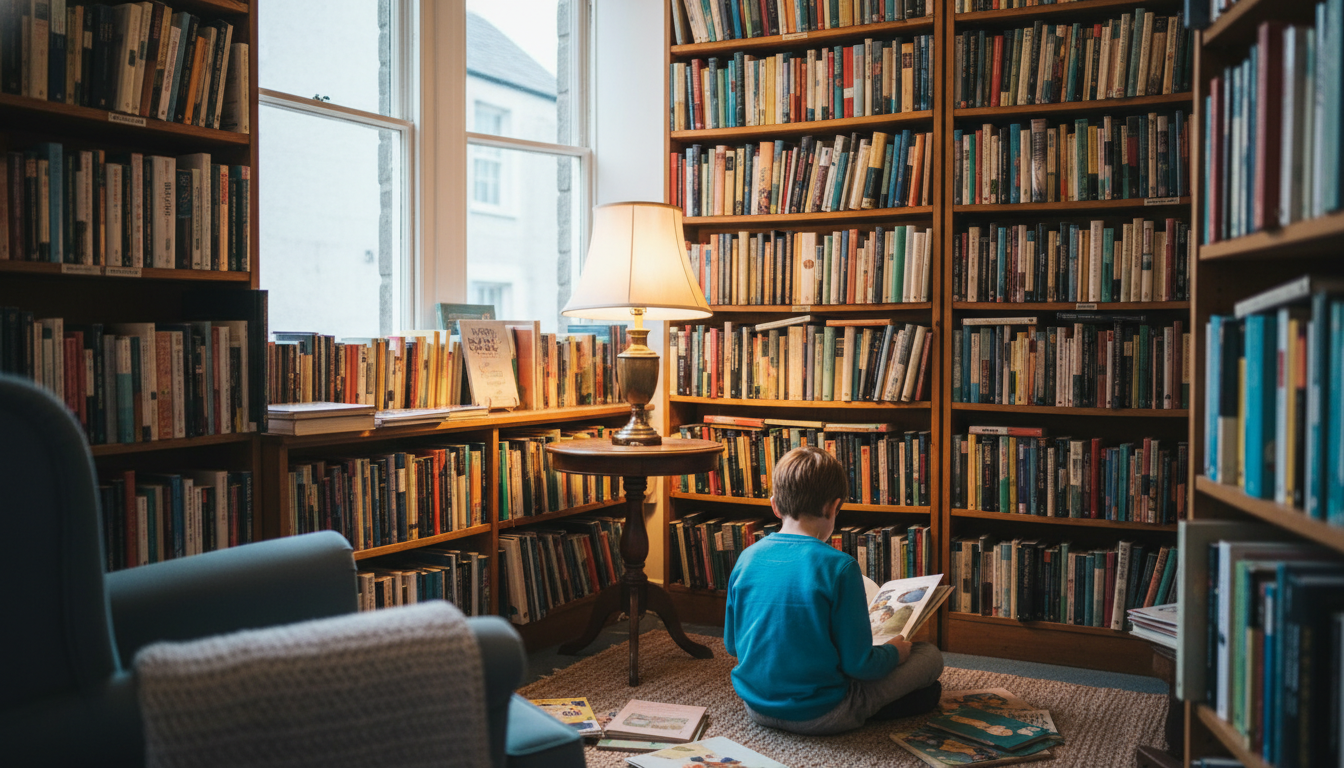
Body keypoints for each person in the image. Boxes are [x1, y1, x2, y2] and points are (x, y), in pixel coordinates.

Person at [723, 446, 944, 735]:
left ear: (775, 505)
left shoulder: (746, 558)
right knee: (929, 658)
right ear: (833, 506)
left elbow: (732, 645)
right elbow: (860, 666)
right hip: (823, 712)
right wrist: (895, 652)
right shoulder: (840, 567)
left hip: (757, 707)